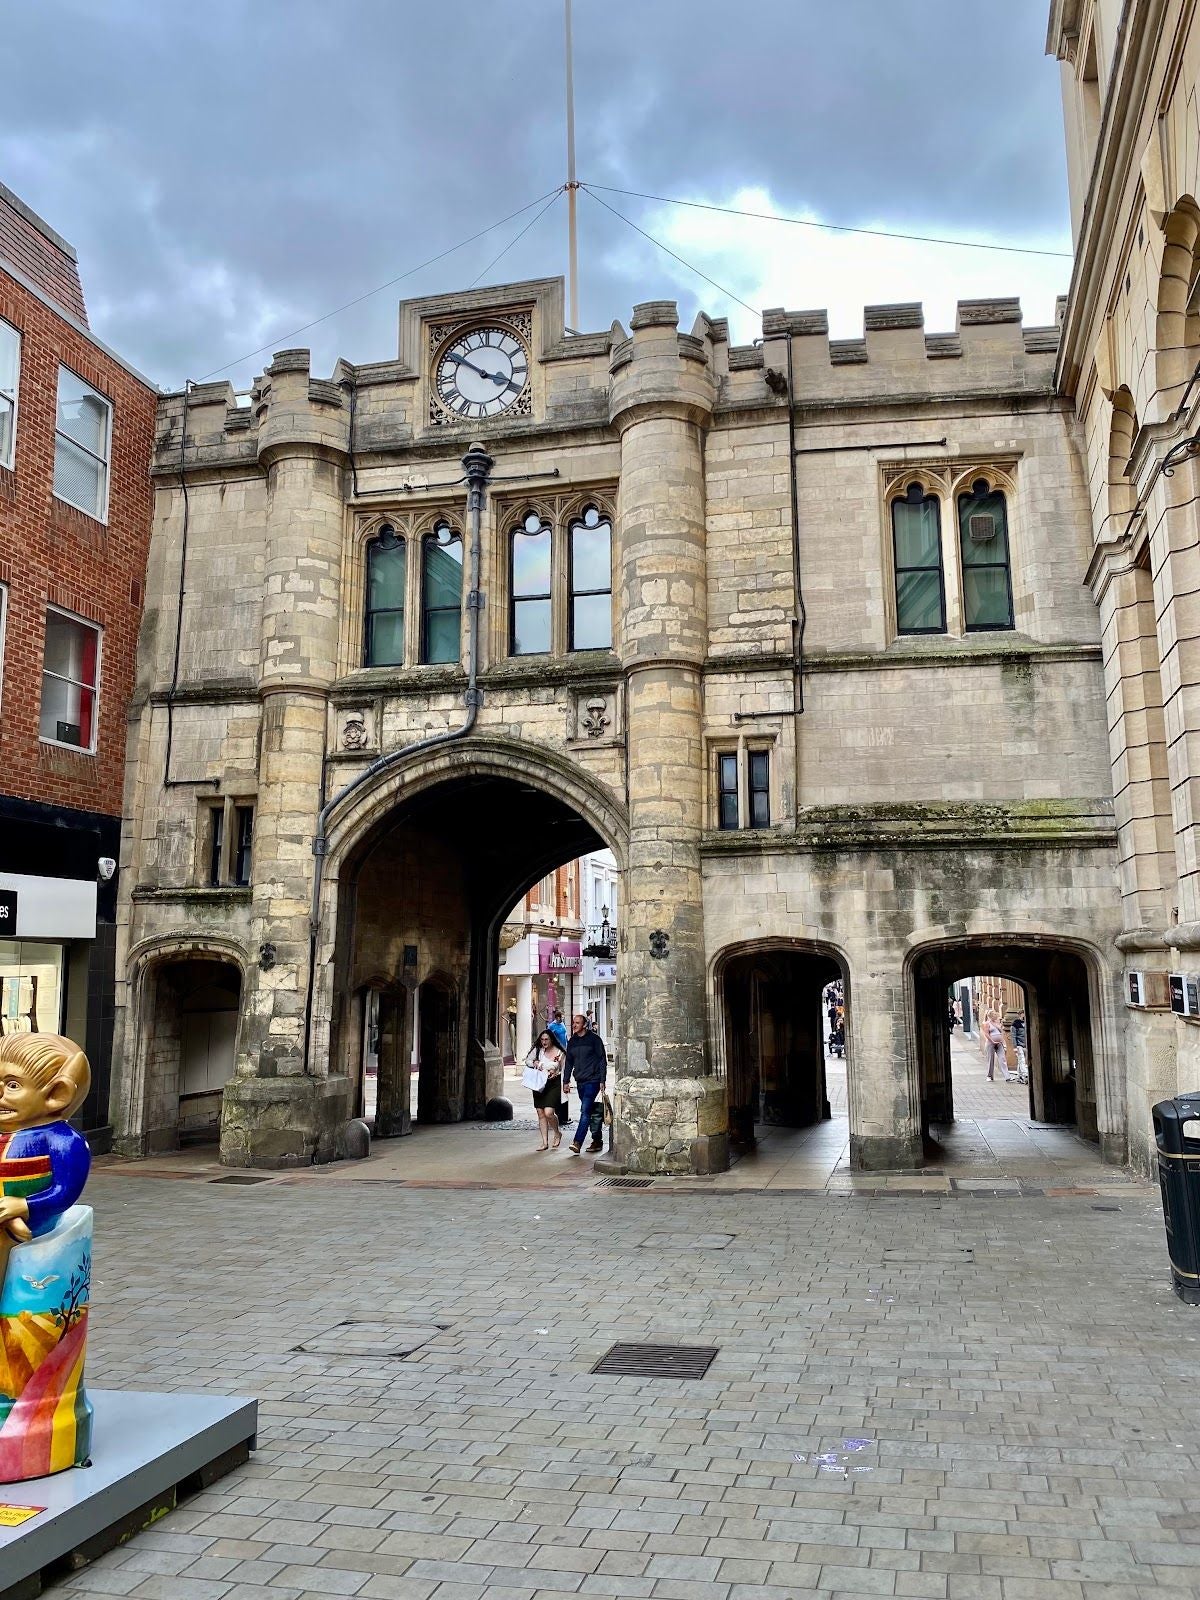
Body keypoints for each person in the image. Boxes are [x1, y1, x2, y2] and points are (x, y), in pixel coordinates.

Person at [563, 1012, 608, 1154]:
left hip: (593, 1080)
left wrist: (602, 1079)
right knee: (591, 1111)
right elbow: (569, 1062)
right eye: (573, 1023)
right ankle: (597, 1140)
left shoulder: (594, 1039)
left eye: (577, 1023)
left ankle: (577, 1142)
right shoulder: (572, 1041)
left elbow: (602, 1060)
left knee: (585, 1111)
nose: (574, 1025)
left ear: (584, 1025)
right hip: (580, 1081)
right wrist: (565, 1080)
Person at [524, 1029, 566, 1151]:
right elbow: (527, 1060)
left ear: (552, 1039)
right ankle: (544, 1142)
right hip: (538, 1083)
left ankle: (557, 1133)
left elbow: (564, 1069)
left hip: (553, 1083)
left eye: (546, 1039)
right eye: (542, 1039)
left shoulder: (560, 1052)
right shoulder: (537, 1050)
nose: (544, 1042)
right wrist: (535, 1063)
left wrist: (557, 1074)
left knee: (549, 1113)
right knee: (540, 1113)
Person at [983, 1010, 1007, 1081]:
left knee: (1002, 1058)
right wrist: (993, 1041)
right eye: (994, 1015)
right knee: (991, 1060)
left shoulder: (997, 1023)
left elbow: (1001, 1034)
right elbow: (986, 1034)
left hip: (999, 1043)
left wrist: (1004, 1044)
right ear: (990, 1016)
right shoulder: (986, 1023)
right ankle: (989, 1076)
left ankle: (1007, 1076)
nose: (996, 1016)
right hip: (990, 1043)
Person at [1012, 1013, 1029, 1082]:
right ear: (1019, 1015)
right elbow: (1013, 1036)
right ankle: (1025, 1075)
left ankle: (1020, 1076)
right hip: (1019, 1045)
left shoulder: (1027, 1022)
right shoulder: (1015, 1024)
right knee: (1022, 1060)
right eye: (1023, 1014)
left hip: (1026, 1045)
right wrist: (1015, 1047)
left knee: (1020, 1061)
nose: (1024, 1015)